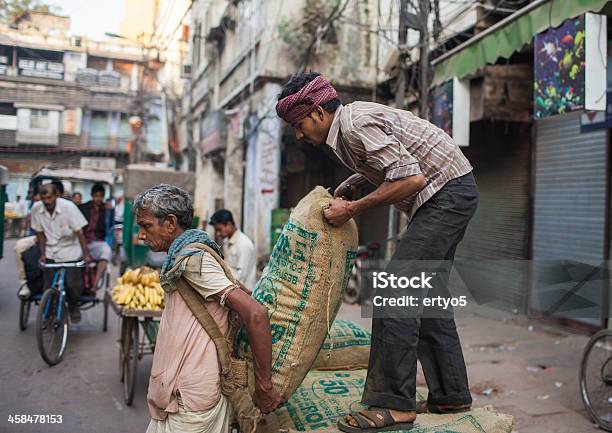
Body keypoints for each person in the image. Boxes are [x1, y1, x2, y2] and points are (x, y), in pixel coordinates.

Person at [276, 72, 478, 432]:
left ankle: (393, 405)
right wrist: (354, 182)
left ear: (319, 112)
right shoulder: (346, 131)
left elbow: (411, 179)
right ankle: (451, 395)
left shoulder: (355, 125)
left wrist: (352, 209)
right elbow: (391, 163)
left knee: (396, 289)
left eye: (299, 123)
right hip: (451, 190)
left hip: (445, 193)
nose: (299, 133)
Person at [133, 184, 281, 432]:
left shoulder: (193, 261)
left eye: (146, 226)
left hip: (192, 402)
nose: (141, 235)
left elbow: (256, 313)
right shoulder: (183, 258)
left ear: (170, 223)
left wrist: (264, 386)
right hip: (181, 397)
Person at [31, 183, 91, 323]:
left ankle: (73, 306)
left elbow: (80, 233)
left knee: (72, 284)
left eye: (50, 198)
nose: (47, 202)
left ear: (57, 195)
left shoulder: (69, 208)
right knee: (48, 285)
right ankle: (49, 312)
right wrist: (43, 254)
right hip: (51, 250)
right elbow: (39, 233)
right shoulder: (37, 209)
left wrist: (86, 254)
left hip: (70, 250)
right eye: (44, 198)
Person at [209, 209, 257, 290]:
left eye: (219, 229)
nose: (218, 233)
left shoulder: (244, 244)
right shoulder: (226, 242)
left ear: (229, 224)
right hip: (231, 288)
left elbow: (241, 277)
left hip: (244, 293)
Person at [79, 183, 114, 291]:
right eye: (96, 196)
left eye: (100, 196)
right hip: (81, 241)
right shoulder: (83, 208)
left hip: (97, 242)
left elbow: (110, 225)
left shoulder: (107, 210)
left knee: (107, 251)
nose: (98, 199)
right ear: (91, 195)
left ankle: (95, 284)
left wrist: (110, 211)